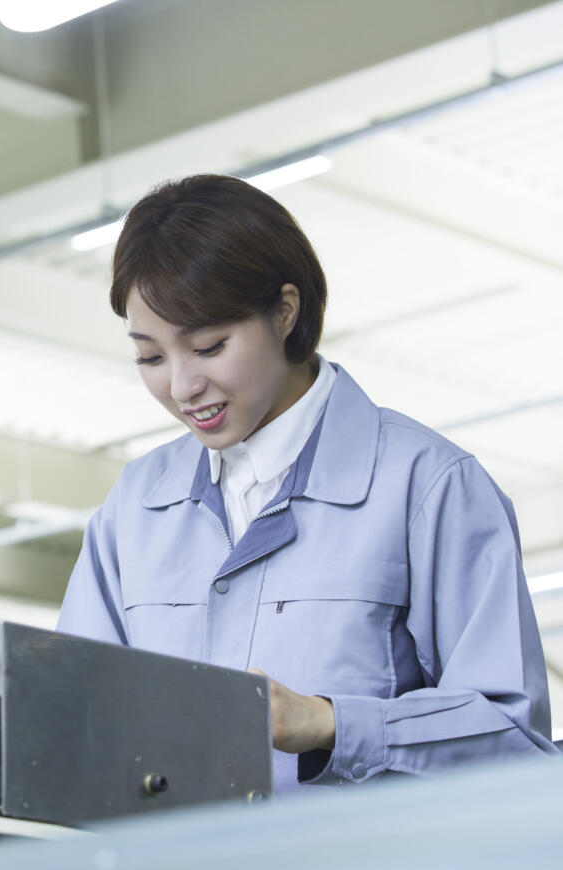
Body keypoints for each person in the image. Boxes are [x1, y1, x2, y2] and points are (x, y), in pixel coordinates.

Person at [56, 174, 557, 793]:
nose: (182, 387)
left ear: (285, 313)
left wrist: (329, 723)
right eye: (151, 358)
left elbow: (514, 739)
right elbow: (65, 724)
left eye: (209, 346)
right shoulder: (135, 510)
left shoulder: (426, 487)